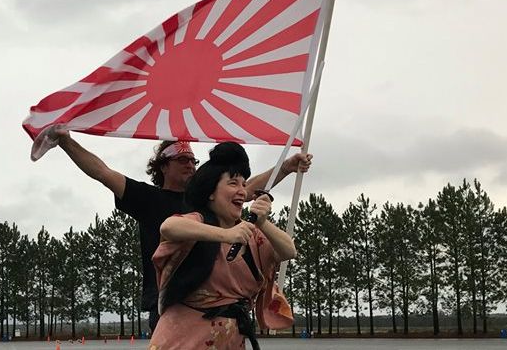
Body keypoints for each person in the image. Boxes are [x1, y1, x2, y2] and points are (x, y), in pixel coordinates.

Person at [50, 126, 311, 332]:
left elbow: (246, 187)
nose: (190, 165)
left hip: (219, 304)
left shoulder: (208, 200)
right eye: (182, 159)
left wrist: (286, 168)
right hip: (172, 301)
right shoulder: (148, 198)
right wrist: (65, 141)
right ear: (163, 165)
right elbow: (102, 172)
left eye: (193, 160)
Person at [149, 142, 297, 350]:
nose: (242, 191)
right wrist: (226, 235)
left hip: (230, 339)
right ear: (211, 192)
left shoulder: (251, 233)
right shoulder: (199, 222)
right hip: (183, 339)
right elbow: (169, 227)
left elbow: (288, 250)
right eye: (233, 183)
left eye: (244, 185)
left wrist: (263, 222)